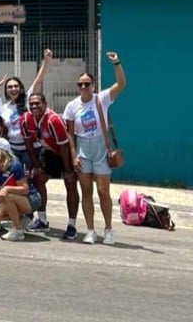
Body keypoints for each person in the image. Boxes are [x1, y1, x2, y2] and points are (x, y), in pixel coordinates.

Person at [64, 51, 126, 245]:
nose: (83, 87)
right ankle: (90, 230)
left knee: (103, 191)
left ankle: (108, 230)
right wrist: (74, 156)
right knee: (86, 191)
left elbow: (121, 84)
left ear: (93, 85)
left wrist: (116, 62)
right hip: (83, 149)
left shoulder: (102, 99)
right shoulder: (72, 106)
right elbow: (70, 134)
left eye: (87, 84)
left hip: (100, 147)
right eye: (80, 84)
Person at [22, 92, 80, 239]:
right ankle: (42, 220)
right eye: (32, 103)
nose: (34, 106)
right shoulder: (26, 120)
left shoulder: (53, 120)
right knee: (38, 178)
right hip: (49, 152)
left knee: (70, 183)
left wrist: (68, 170)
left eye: (37, 103)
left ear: (45, 104)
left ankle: (72, 225)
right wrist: (36, 166)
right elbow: (29, 144)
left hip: (65, 153)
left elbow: (65, 147)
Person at [0, 49, 53, 170]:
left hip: (31, 149)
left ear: (21, 88)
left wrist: (46, 61)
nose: (13, 89)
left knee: (34, 178)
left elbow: (39, 80)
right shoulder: (4, 108)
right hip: (13, 150)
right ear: (6, 91)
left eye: (16, 86)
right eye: (10, 87)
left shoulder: (28, 99)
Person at [0, 137, 40, 241]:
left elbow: (25, 189)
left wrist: (8, 188)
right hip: (16, 199)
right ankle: (21, 220)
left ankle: (17, 231)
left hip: (31, 199)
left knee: (7, 195)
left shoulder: (14, 165)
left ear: (1, 152)